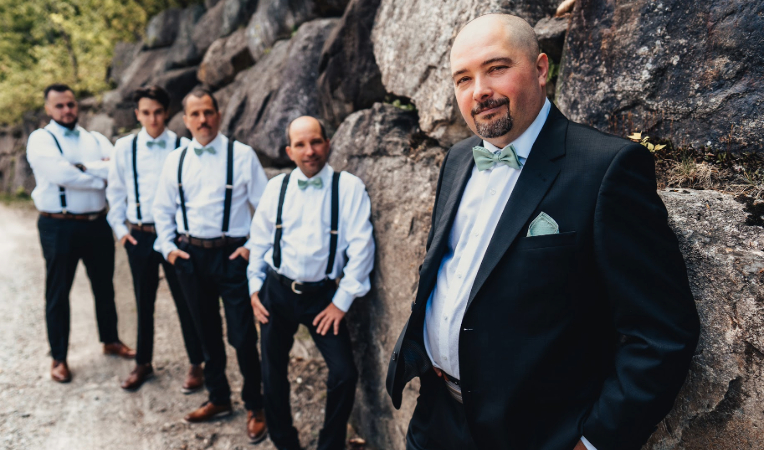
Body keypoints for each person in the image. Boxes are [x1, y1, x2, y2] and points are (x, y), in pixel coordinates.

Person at [385, 14, 700, 450]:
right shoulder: (458, 159)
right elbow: (449, 267)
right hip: (437, 418)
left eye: (496, 68)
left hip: (535, 433)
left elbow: (661, 332)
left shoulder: (606, 169)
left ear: (540, 68)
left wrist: (595, 442)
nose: (479, 91)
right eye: (463, 79)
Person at [247, 116, 374, 450]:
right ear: (289, 151)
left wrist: (341, 302)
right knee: (272, 373)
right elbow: (259, 241)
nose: (310, 151)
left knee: (344, 373)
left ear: (328, 143)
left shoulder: (348, 188)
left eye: (315, 142)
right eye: (300, 145)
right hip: (276, 291)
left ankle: (329, 444)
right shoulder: (277, 188)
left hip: (323, 297)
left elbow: (362, 250)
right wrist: (254, 288)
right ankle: (284, 441)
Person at [152, 88, 268, 443]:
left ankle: (255, 405)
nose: (202, 120)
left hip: (233, 257)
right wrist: (169, 249)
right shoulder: (176, 159)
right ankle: (219, 397)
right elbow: (162, 209)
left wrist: (251, 248)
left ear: (218, 115)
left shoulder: (242, 155)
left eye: (208, 112)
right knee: (205, 335)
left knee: (243, 337)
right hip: (191, 258)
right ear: (186, 121)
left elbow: (264, 209)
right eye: (195, 114)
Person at [27, 83, 135, 384]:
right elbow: (60, 174)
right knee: (58, 291)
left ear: (78, 106)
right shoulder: (41, 139)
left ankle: (110, 339)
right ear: (48, 109)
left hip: (97, 223)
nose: (66, 110)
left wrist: (83, 168)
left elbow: (117, 171)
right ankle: (59, 358)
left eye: (70, 104)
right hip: (58, 225)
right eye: (59, 106)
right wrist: (97, 175)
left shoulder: (95, 138)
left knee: (104, 286)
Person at [106, 85, 206, 392]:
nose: (152, 119)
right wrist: (122, 233)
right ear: (137, 114)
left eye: (158, 112)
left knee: (185, 301)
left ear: (167, 113)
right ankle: (143, 362)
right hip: (139, 236)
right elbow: (116, 194)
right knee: (143, 301)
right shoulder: (124, 148)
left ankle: (196, 362)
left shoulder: (182, 145)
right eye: (146, 113)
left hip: (174, 237)